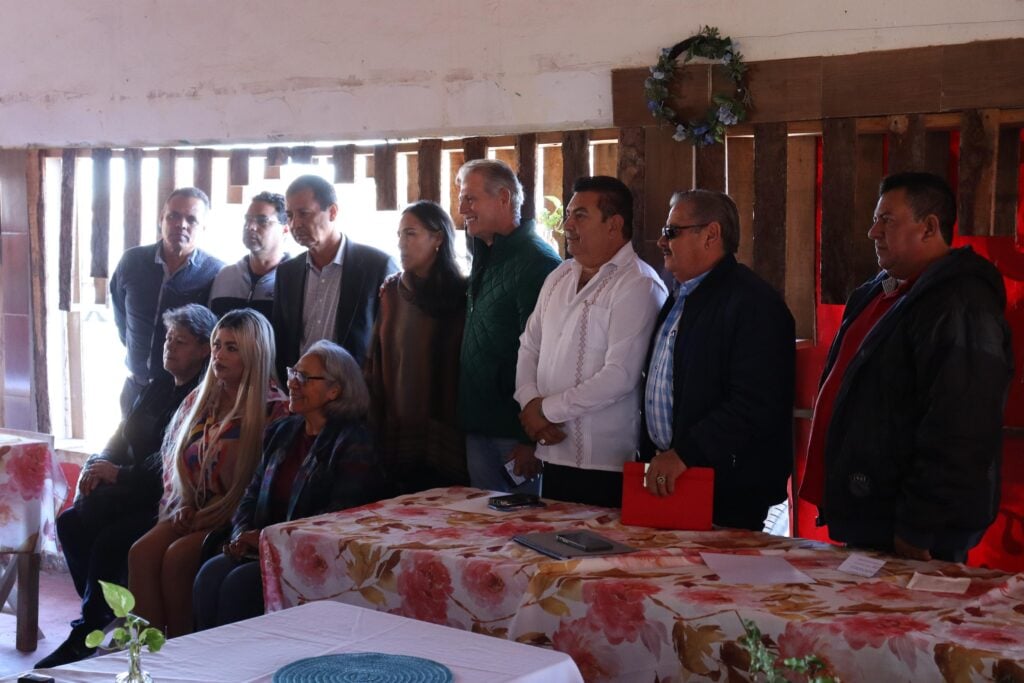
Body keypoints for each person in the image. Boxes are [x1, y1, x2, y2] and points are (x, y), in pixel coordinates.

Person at [801, 172, 1013, 562]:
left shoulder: (960, 302)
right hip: (870, 512)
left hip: (913, 527)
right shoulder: (880, 292)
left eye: (887, 220)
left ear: (929, 226)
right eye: (875, 219)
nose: (872, 232)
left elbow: (961, 424)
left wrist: (920, 526)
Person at [35, 304, 217, 668]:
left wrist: (118, 472)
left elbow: (173, 460)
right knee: (70, 523)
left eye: (180, 341)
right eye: (168, 337)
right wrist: (93, 465)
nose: (170, 346)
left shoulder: (203, 396)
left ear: (203, 349)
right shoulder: (158, 386)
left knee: (110, 541)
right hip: (126, 490)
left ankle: (90, 627)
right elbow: (120, 434)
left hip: (162, 497)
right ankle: (104, 614)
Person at [193, 341, 387, 629]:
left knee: (238, 586)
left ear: (335, 391)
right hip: (263, 548)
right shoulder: (283, 431)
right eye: (293, 373)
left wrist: (266, 539)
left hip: (307, 557)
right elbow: (251, 494)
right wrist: (242, 535)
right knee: (209, 575)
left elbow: (337, 517)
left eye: (305, 378)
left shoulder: (352, 442)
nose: (293, 383)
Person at [127, 308, 289, 637]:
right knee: (140, 553)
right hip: (191, 508)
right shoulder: (198, 401)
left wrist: (217, 514)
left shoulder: (275, 410)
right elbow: (173, 463)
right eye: (217, 345)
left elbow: (261, 487)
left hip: (234, 518)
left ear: (254, 353)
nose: (219, 355)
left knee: (177, 558)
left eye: (232, 348)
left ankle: (183, 653)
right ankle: (149, 657)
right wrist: (182, 504)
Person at [640, 189, 795, 531]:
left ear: (711, 234)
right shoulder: (681, 295)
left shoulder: (753, 303)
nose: (662, 243)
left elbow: (756, 402)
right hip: (677, 475)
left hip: (727, 486)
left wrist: (685, 453)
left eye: (672, 232)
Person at [515, 177, 667, 507]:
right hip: (552, 450)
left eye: (580, 215)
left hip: (605, 462)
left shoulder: (638, 284)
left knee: (599, 554)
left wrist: (546, 410)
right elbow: (530, 345)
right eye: (569, 214)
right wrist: (529, 403)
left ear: (614, 224)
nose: (567, 224)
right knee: (554, 553)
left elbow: (620, 376)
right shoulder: (559, 275)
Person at [457, 159, 560, 495]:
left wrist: (529, 439)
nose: (461, 209)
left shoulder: (537, 262)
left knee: (522, 529)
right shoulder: (486, 253)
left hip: (515, 433)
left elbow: (544, 354)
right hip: (480, 426)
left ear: (503, 198)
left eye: (471, 199)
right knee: (483, 533)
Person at [366, 201, 469, 492]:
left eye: (410, 234)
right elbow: (376, 357)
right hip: (396, 428)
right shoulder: (391, 292)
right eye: (399, 235)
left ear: (438, 238)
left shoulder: (462, 294)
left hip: (447, 429)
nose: (402, 243)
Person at [271, 174, 397, 382]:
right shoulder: (287, 272)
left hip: (356, 393)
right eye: (290, 215)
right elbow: (281, 339)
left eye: (304, 213)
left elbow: (390, 343)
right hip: (300, 394)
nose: (295, 224)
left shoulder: (377, 266)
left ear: (332, 212)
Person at [110, 187, 224, 415]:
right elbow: (122, 319)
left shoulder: (215, 272)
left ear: (203, 228)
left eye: (191, 219)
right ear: (161, 219)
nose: (181, 224)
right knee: (125, 448)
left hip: (183, 392)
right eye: (173, 216)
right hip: (136, 385)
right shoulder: (132, 261)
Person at [209, 192, 290, 319]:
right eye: (248, 219)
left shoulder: (294, 279)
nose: (250, 226)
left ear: (285, 229)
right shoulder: (225, 276)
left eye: (262, 221)